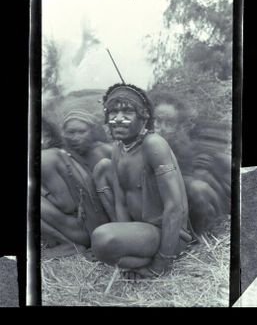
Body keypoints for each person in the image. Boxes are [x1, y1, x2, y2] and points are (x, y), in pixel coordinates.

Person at [92, 84, 192, 278]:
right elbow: (121, 201)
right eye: (113, 111)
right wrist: (125, 234)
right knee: (103, 245)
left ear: (143, 116)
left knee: (102, 238)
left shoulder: (154, 144)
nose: (118, 119)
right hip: (141, 233)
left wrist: (162, 261)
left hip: (167, 235)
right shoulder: (118, 149)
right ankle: (138, 257)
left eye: (128, 111)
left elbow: (175, 207)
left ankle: (159, 259)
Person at [150, 90, 231, 236]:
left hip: (185, 205)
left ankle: (212, 228)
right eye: (156, 120)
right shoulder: (145, 145)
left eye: (168, 123)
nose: (160, 128)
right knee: (198, 187)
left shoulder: (182, 145)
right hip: (160, 208)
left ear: (179, 127)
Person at [41, 110, 113, 258]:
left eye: (81, 132)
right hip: (94, 225)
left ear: (92, 132)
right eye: (70, 132)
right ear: (63, 133)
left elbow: (66, 205)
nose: (76, 137)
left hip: (97, 227)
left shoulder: (105, 151)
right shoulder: (67, 153)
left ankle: (67, 245)